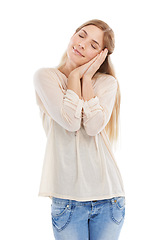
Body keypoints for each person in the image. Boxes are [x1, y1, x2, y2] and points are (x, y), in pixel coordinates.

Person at [33, 19, 125, 240]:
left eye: (94, 45)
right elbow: (71, 121)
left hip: (109, 197)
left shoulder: (106, 83)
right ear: (73, 35)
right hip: (67, 200)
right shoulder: (46, 77)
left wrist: (85, 78)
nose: (83, 44)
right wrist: (74, 76)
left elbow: (93, 127)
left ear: (101, 55)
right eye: (82, 35)